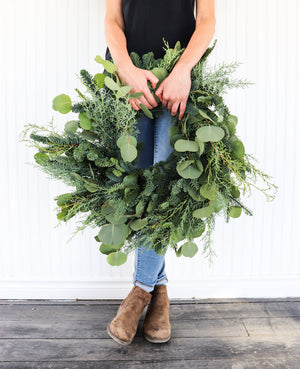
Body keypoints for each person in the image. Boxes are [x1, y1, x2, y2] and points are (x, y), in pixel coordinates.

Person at [104, 0, 216, 346]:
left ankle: (138, 294)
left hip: (177, 82)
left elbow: (207, 20)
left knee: (165, 187)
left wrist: (182, 71)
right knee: (138, 187)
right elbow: (113, 18)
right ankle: (160, 295)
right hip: (130, 82)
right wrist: (126, 69)